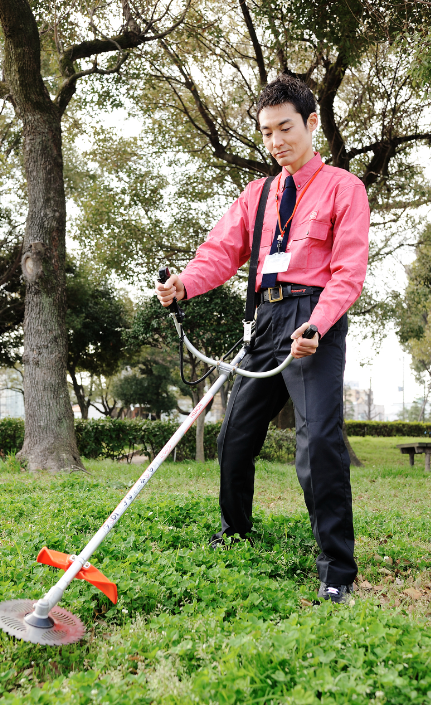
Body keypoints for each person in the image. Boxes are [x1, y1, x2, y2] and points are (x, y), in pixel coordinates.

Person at [155, 74, 370, 604]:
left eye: (286, 128)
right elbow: (221, 253)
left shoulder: (345, 187)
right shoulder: (259, 194)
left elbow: (348, 270)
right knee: (235, 435)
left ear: (311, 123)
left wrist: (317, 324)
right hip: (265, 322)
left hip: (312, 320)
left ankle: (337, 569)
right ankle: (235, 531)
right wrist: (185, 282)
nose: (276, 142)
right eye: (267, 132)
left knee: (317, 440)